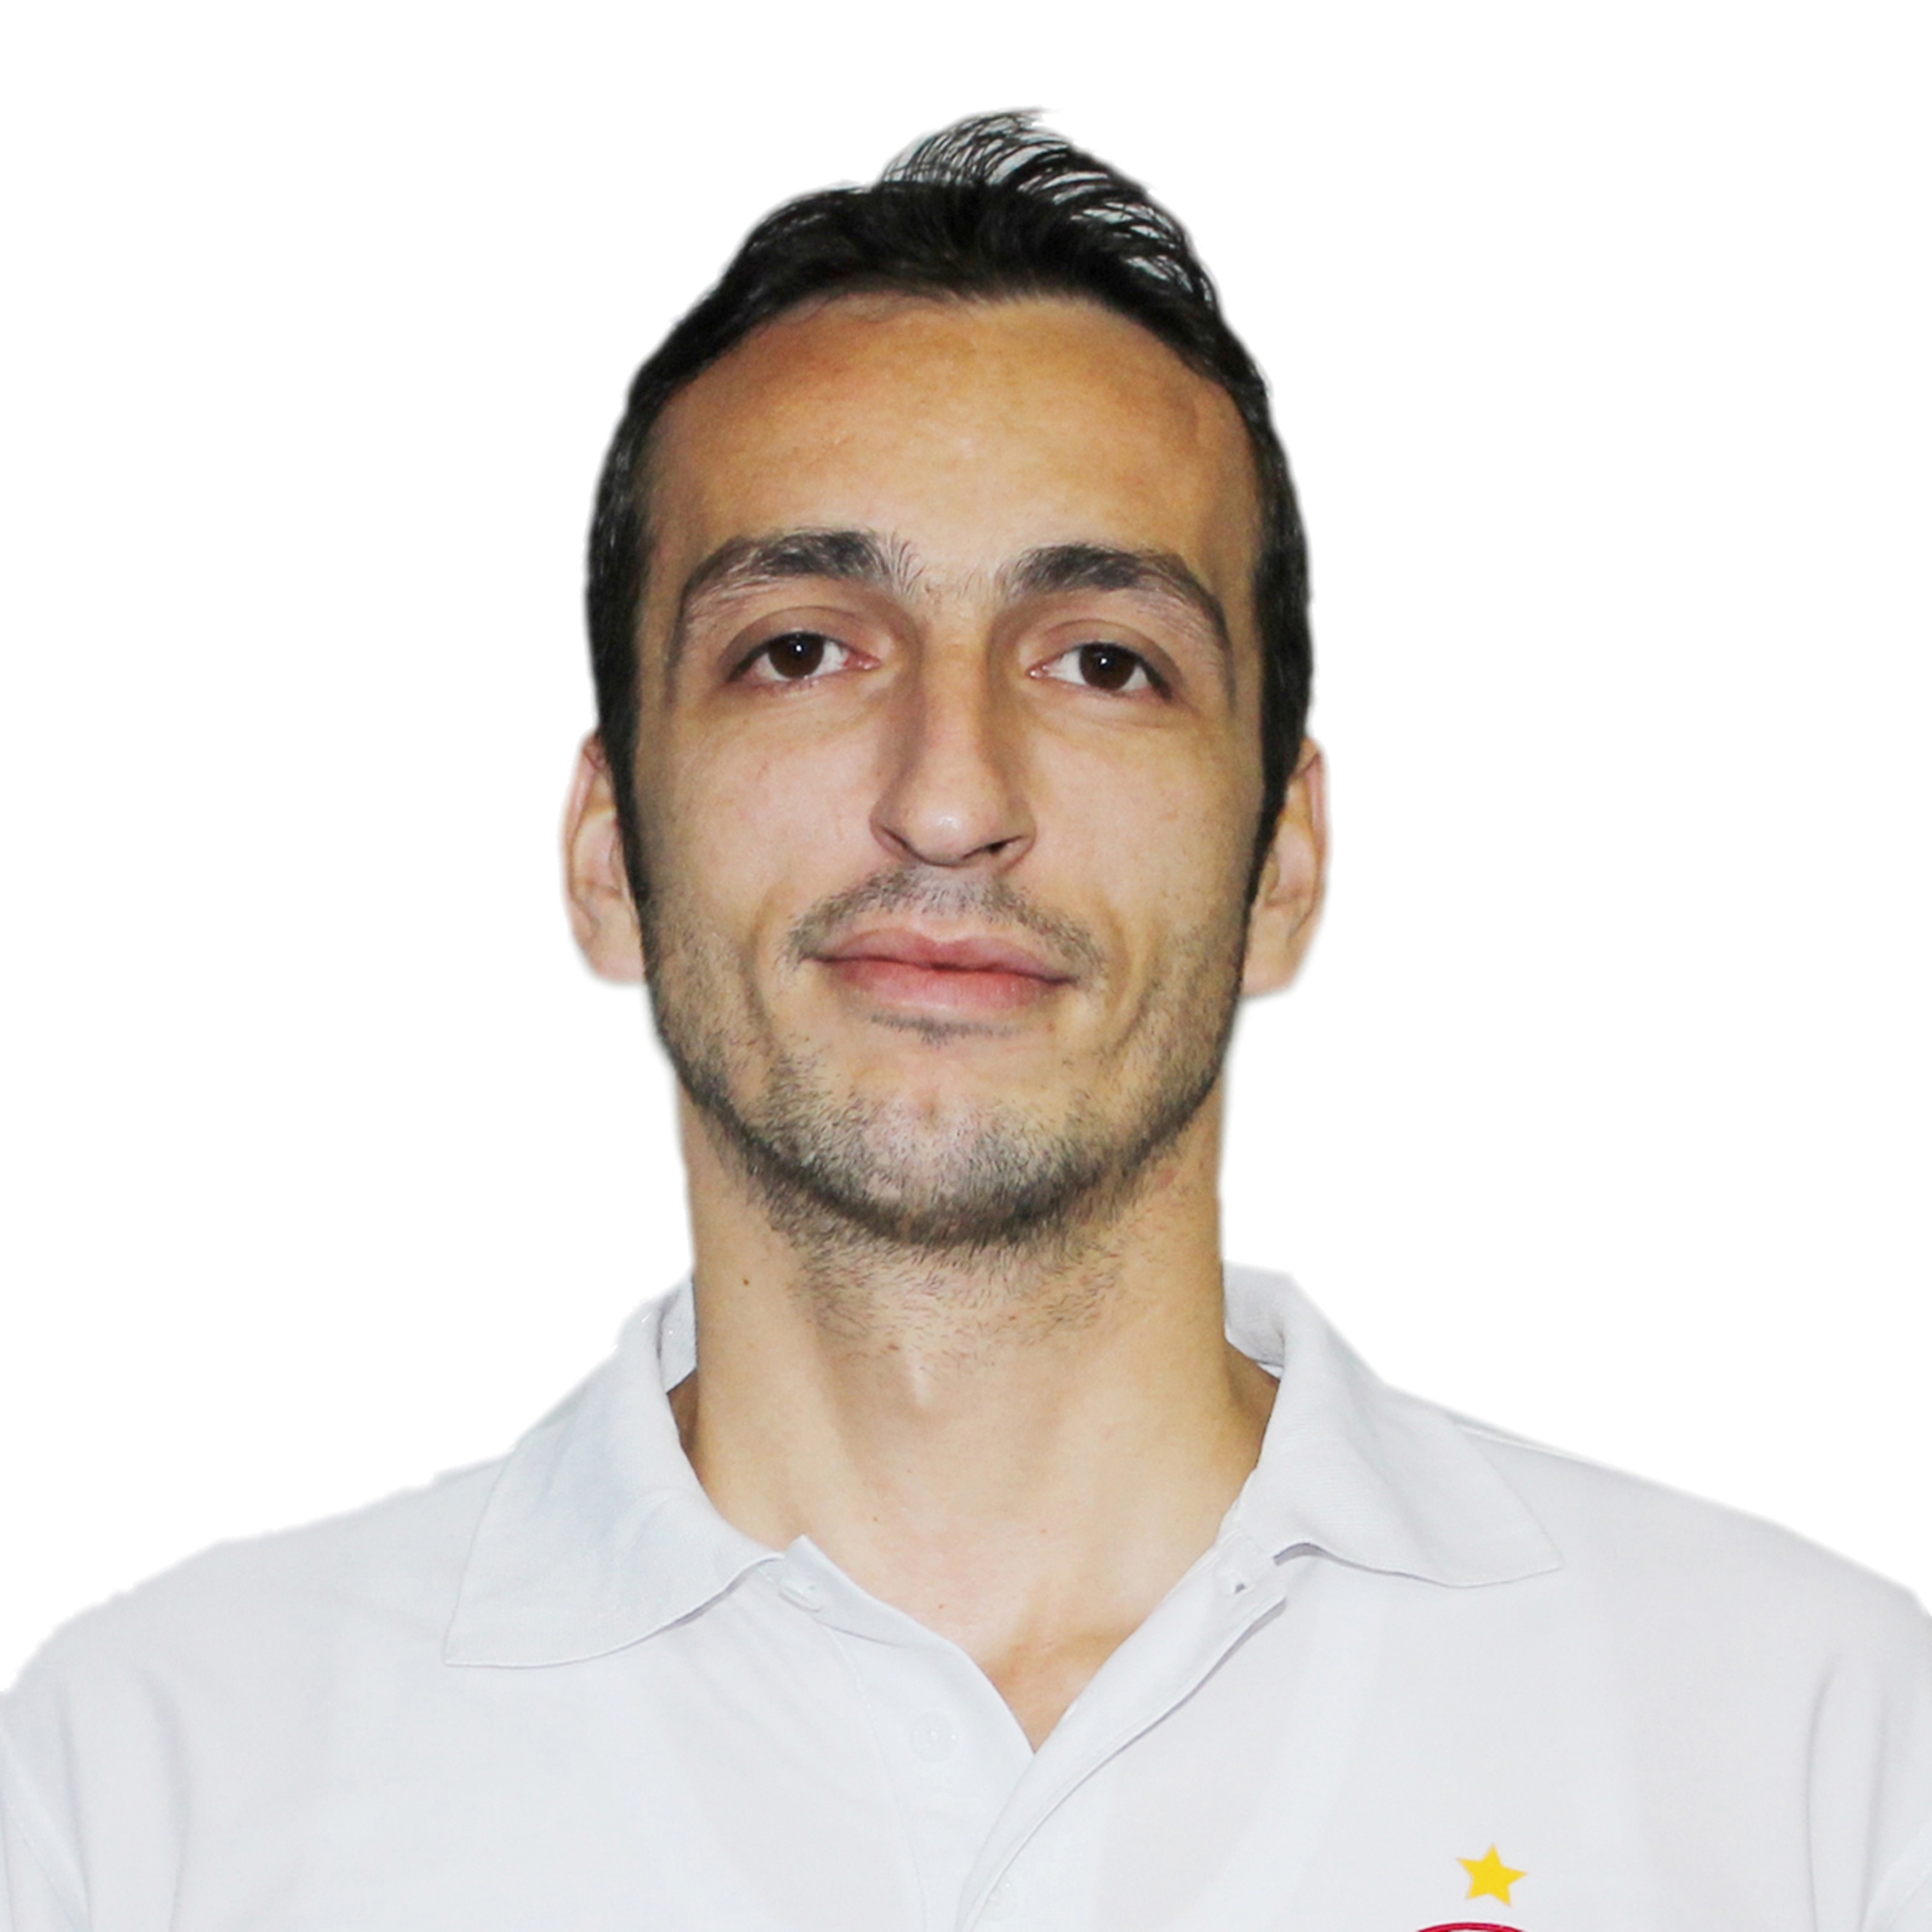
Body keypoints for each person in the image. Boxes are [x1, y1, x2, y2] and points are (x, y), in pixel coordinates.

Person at [2, 111, 1927, 1932]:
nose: (946, 795)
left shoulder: (1808, 1765)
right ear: (609, 849)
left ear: (1281, 861)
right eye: (800, 649)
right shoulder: (153, 1796)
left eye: (1103, 661)